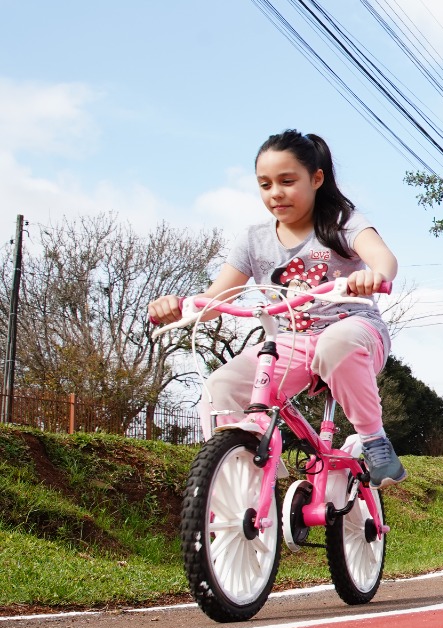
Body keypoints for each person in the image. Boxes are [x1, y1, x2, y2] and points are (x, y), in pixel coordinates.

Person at [148, 130, 407, 487]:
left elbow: (383, 257)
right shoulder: (253, 239)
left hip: (353, 330)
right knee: (220, 387)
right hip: (293, 340)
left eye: (287, 181)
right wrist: (179, 307)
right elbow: (215, 301)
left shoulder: (342, 222)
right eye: (265, 185)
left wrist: (374, 275)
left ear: (316, 178)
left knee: (336, 345)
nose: (276, 193)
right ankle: (251, 479)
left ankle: (374, 440)